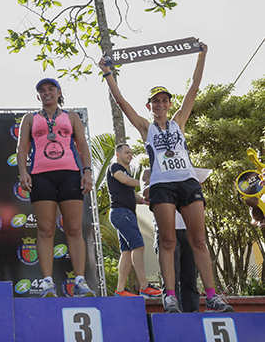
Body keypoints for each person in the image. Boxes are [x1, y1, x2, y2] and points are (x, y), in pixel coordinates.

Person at [99, 42, 233, 313]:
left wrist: (202, 55)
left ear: (169, 104)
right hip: (161, 185)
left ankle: (213, 296)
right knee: (168, 240)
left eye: (164, 100)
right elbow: (122, 103)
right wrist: (108, 74)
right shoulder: (145, 128)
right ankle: (169, 295)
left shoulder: (179, 122)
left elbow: (194, 89)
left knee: (198, 240)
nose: (160, 105)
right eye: (155, 101)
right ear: (149, 105)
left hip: (187, 181)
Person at [17, 78, 95, 297]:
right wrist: (23, 172)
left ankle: (80, 281)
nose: (47, 93)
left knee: (74, 228)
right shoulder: (30, 119)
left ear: (59, 92)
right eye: (42, 90)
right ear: (38, 96)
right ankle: (48, 283)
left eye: (51, 89)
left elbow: (82, 146)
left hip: (70, 174)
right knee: (45, 230)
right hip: (41, 176)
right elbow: (22, 148)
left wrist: (87, 171)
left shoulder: (71, 116)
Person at [107, 144, 161, 298]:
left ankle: (120, 290)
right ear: (118, 154)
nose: (130, 155)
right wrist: (147, 184)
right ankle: (144, 287)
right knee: (139, 247)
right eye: (126, 152)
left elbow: (132, 196)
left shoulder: (126, 172)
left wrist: (144, 201)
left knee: (127, 251)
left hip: (125, 213)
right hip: (121, 213)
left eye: (131, 153)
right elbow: (124, 180)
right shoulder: (115, 167)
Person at [143, 169, 200, 312]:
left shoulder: (187, 170)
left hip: (188, 230)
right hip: (166, 233)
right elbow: (146, 195)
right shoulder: (149, 171)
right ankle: (173, 314)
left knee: (191, 278)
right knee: (170, 280)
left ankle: (192, 315)